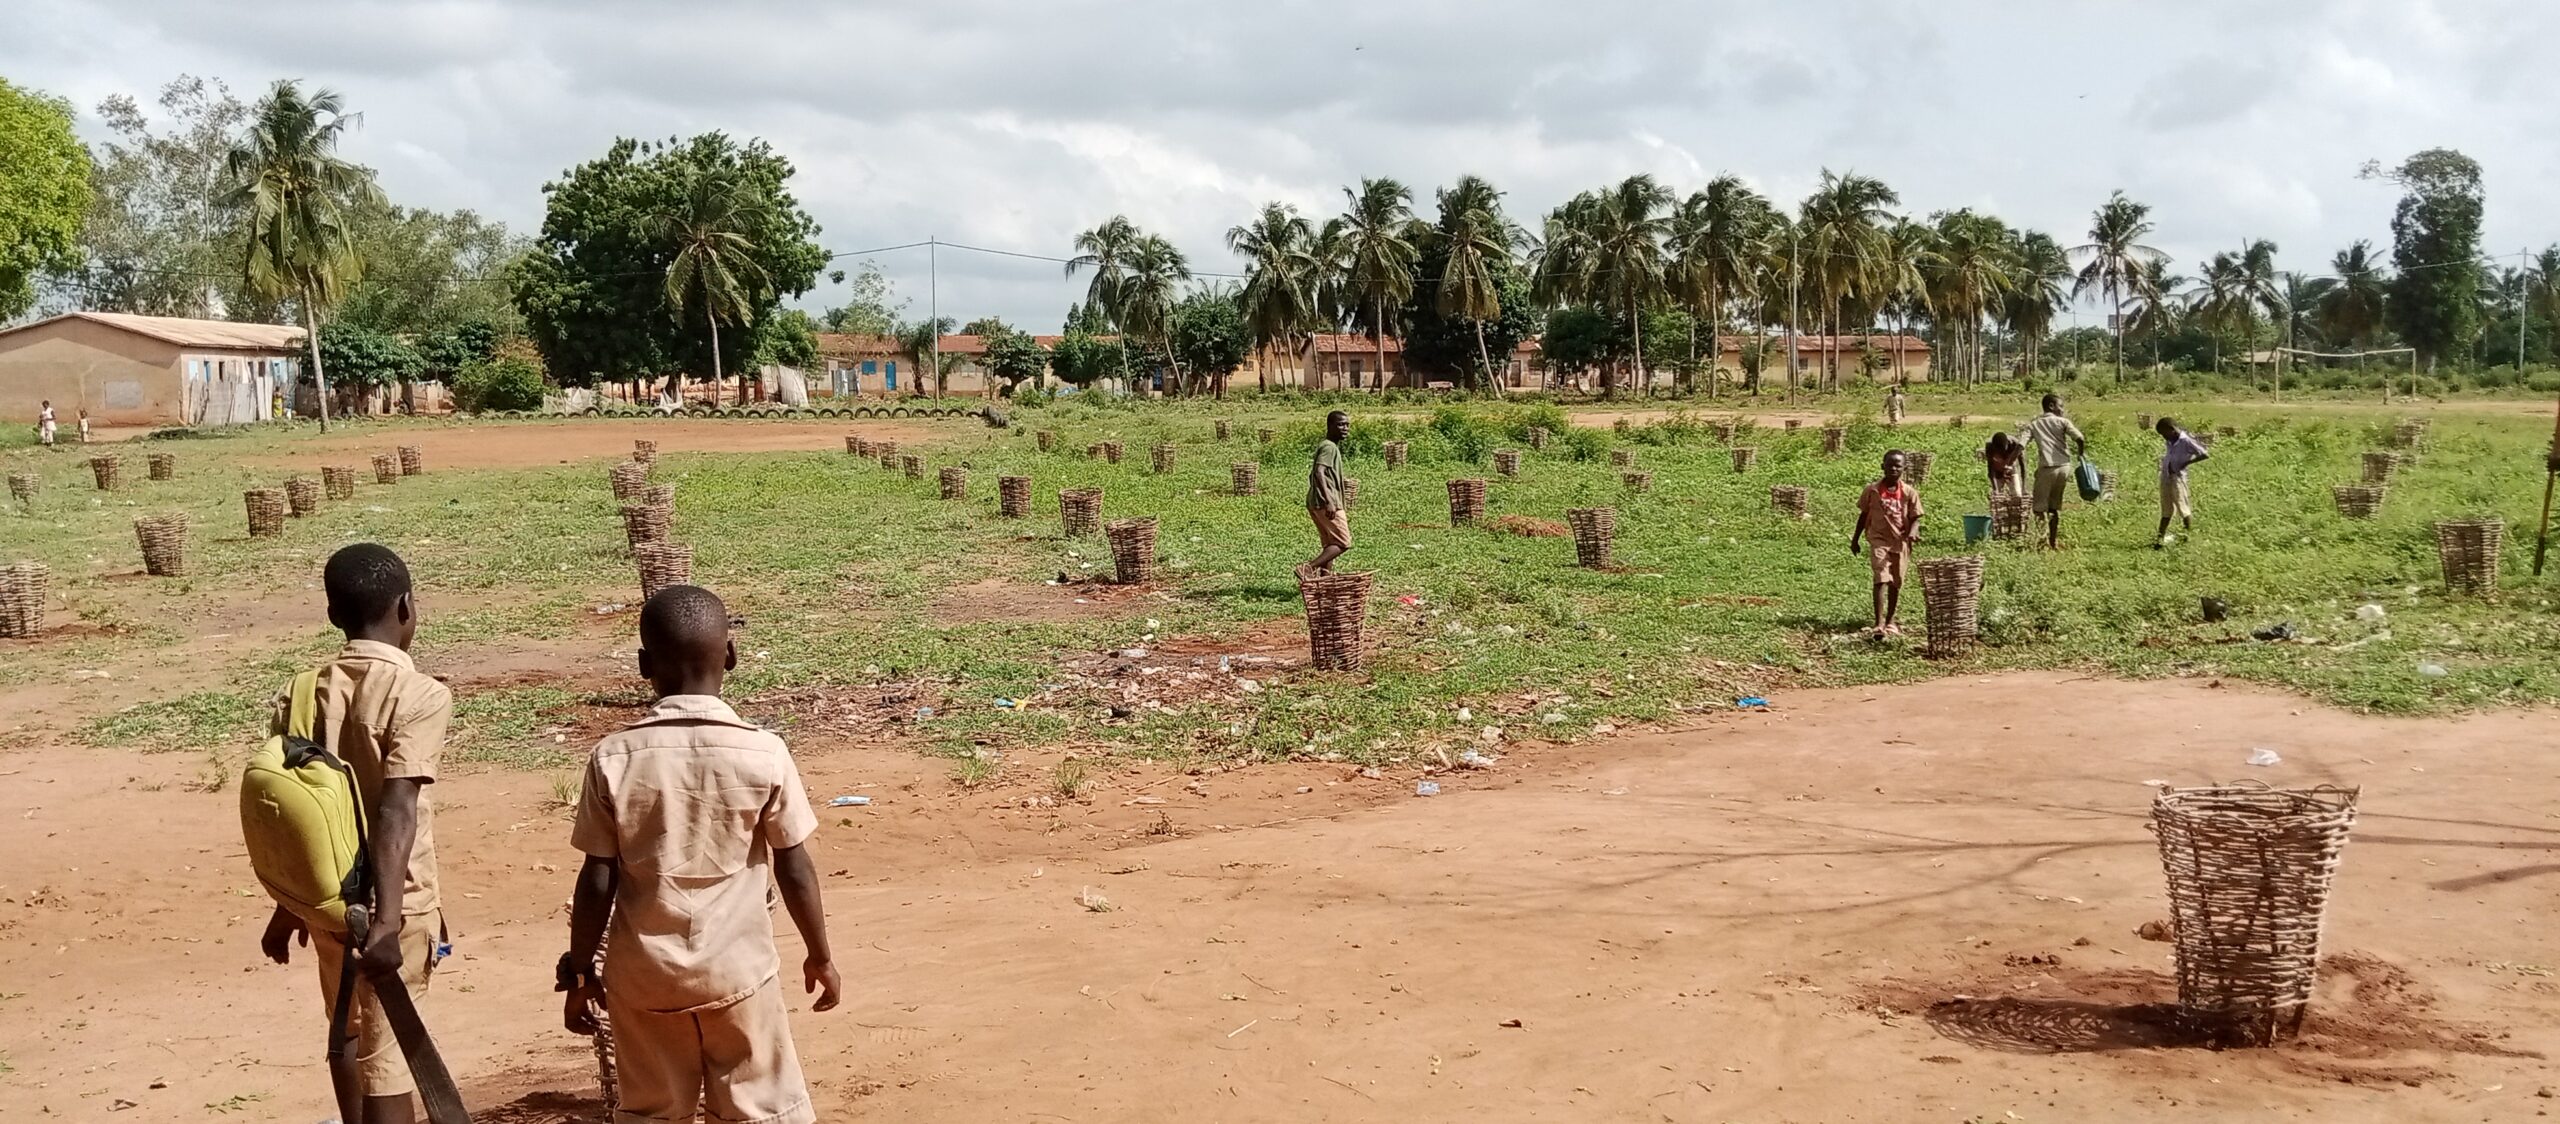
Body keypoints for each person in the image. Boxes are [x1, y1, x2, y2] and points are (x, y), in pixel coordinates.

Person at [562, 585, 838, 1124]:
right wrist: (819, 954)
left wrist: (579, 973)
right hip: (738, 971)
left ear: (645, 665)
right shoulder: (763, 751)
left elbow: (598, 876)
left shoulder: (613, 757)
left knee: (652, 1111)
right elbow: (794, 865)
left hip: (644, 975)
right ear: (730, 656)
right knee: (760, 1109)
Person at [259, 544, 452, 1124]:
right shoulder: (418, 695)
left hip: (326, 903)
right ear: (406, 606)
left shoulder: (299, 691)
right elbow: (396, 810)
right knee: (388, 1054)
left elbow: (292, 810)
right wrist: (390, 921)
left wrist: (290, 905)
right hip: (394, 905)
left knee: (344, 1027)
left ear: (330, 612)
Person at [1852, 450, 1923, 638]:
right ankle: (1878, 623)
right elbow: (1864, 515)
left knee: (1896, 582)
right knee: (1881, 578)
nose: (1893, 469)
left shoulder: (1909, 492)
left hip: (1900, 541)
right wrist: (1855, 539)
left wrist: (1913, 532)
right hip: (1878, 539)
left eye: (1897, 466)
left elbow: (1916, 517)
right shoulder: (1872, 491)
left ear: (1904, 469)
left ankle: (1890, 621)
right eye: (1889, 465)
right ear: (1882, 466)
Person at [2019, 393, 2087, 549]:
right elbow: (2080, 438)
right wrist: (2081, 453)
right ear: (2051, 406)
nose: (2062, 410)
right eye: (2061, 406)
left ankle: (2042, 541)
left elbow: (2021, 445)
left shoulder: (2034, 425)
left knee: (2038, 508)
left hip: (2047, 469)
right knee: (2054, 507)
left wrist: (2010, 461)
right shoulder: (2063, 422)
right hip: (2065, 467)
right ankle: (2053, 542)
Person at [1299, 410, 1353, 581]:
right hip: (1327, 503)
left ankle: (1324, 581)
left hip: (1316, 502)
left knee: (1330, 544)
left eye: (1347, 425)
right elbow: (1318, 472)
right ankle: (1307, 568)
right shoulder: (1329, 447)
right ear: (1330, 426)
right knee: (1343, 543)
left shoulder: (1328, 446)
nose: (1345, 428)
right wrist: (1329, 501)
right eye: (1340, 424)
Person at [2154, 416, 2210, 548]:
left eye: (2164, 433)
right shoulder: (2170, 440)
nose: (2163, 437)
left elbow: (2204, 454)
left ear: (2172, 430)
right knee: (2166, 509)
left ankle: (2187, 538)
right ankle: (2159, 539)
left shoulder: (2185, 441)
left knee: (2182, 507)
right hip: (2166, 476)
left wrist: (2186, 462)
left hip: (2178, 478)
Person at [1984, 432, 2024, 500]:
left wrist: (2024, 487)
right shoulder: (1990, 446)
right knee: (1996, 498)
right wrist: (1995, 488)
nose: (2001, 452)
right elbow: (1990, 468)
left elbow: (2023, 465)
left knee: (2017, 496)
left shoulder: (2016, 445)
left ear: (2007, 444)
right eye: (1999, 450)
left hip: (2011, 470)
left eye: (2003, 449)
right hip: (1997, 471)